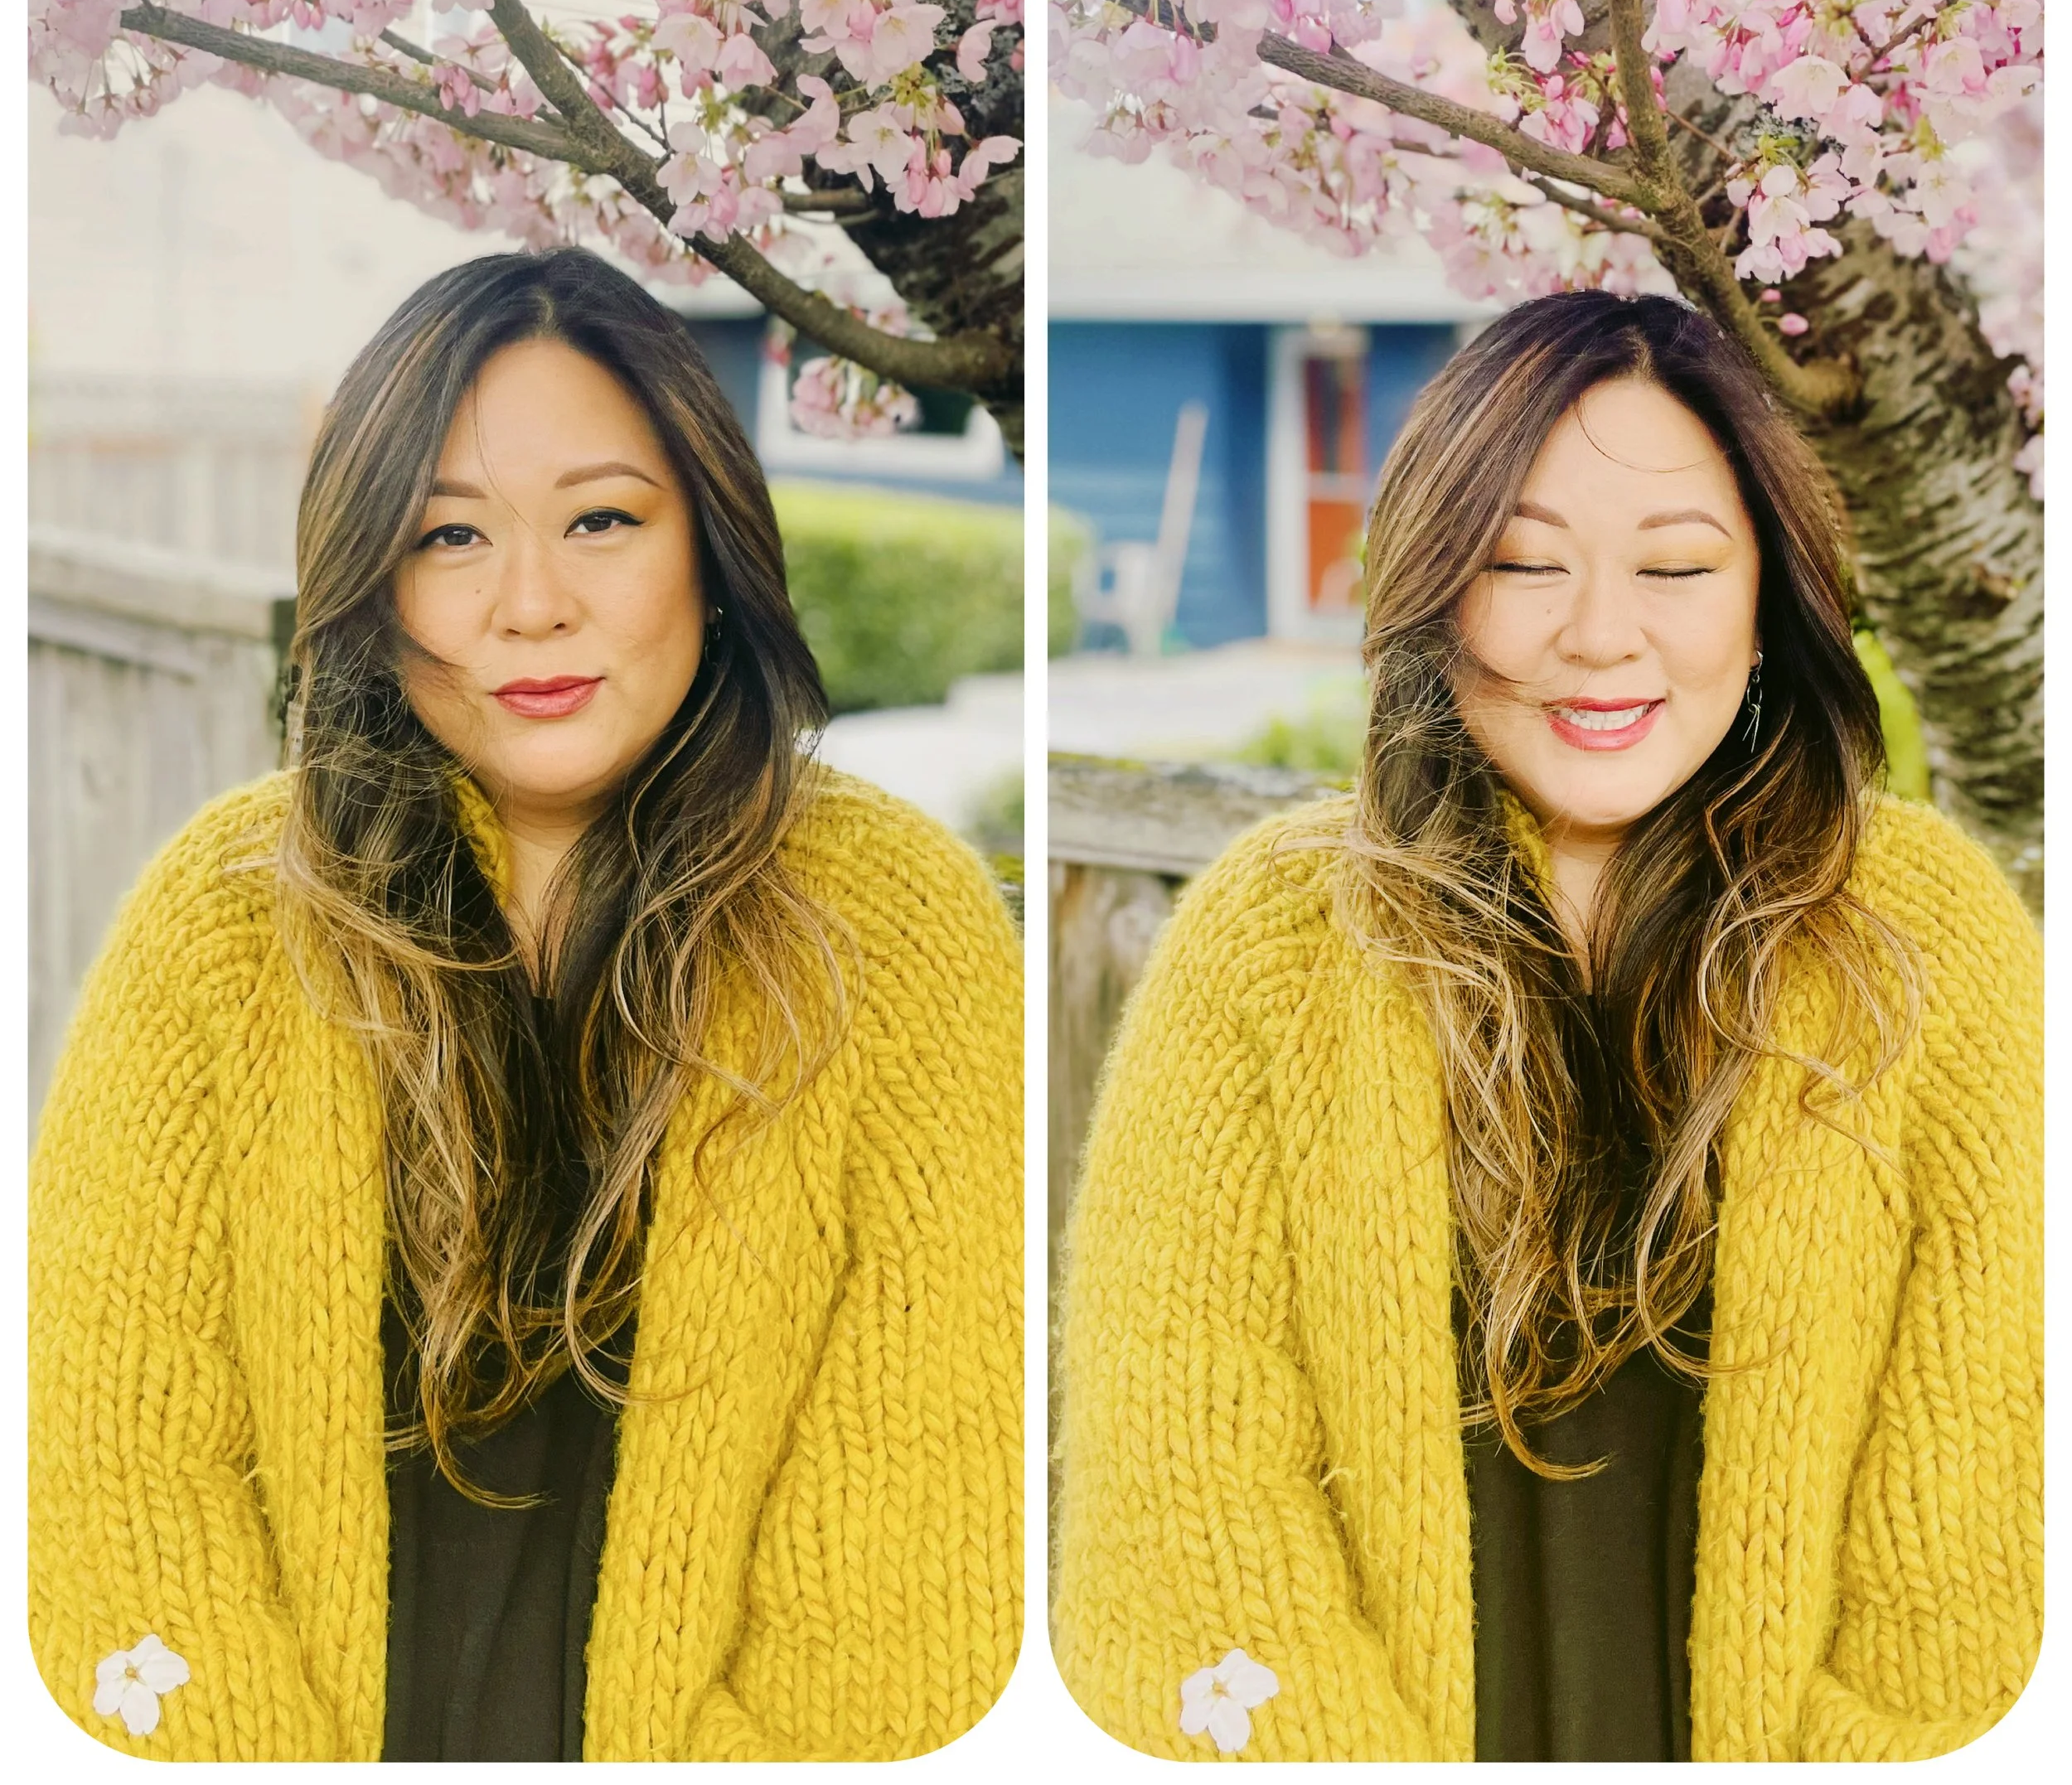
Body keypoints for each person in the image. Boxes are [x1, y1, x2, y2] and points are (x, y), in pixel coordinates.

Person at [29, 247, 1023, 1761]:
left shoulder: (896, 932)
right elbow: (111, 1468)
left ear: (712, 542)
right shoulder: (221, 923)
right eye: (449, 536)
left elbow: (921, 1540)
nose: (532, 605)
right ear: (369, 572)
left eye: (603, 521)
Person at [1053, 291, 2041, 1762]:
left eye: (1677, 565)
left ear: (1767, 597)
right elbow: (1183, 1483)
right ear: (1438, 587)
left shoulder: (1923, 939)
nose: (1599, 636)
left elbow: (1982, 1502)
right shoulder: (1272, 945)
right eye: (1523, 563)